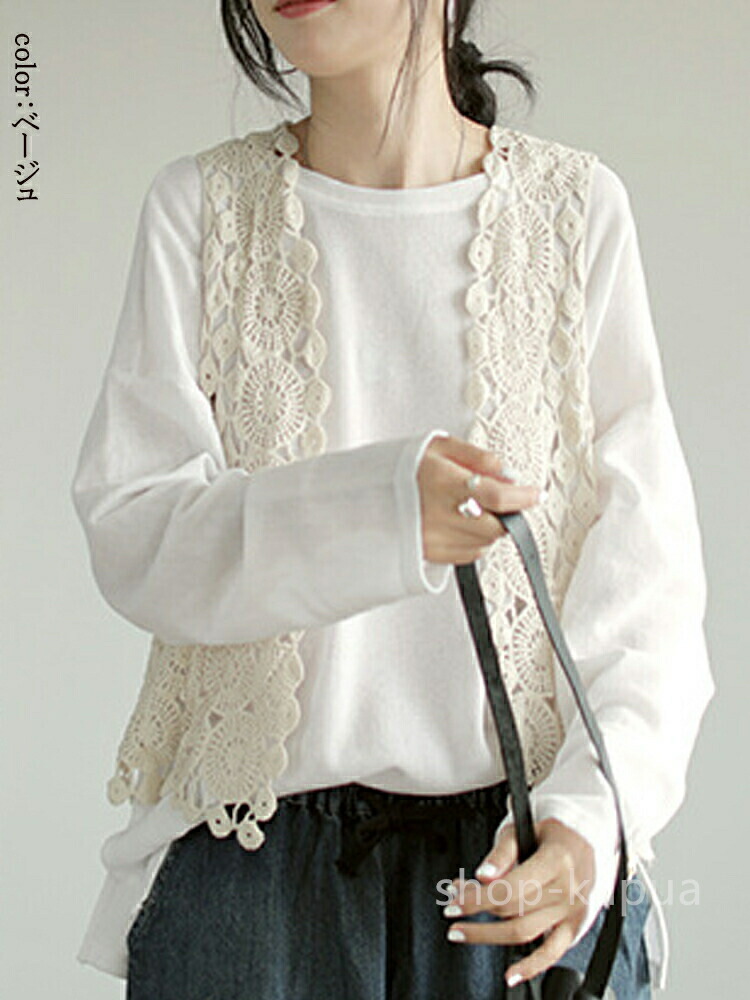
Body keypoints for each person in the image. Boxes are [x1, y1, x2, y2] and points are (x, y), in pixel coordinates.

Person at [70, 1, 715, 998]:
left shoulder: (573, 210)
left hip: (519, 865)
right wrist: (376, 513)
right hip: (252, 879)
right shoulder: (204, 210)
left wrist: (591, 822)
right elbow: (136, 531)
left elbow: (649, 590)